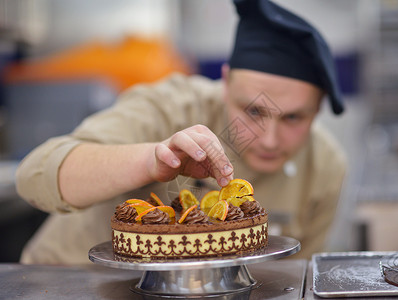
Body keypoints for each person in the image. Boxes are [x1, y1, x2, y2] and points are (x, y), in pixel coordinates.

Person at [16, 0, 346, 265]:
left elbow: (291, 278)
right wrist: (149, 161)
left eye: (293, 118)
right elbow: (33, 176)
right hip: (69, 281)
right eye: (254, 111)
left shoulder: (324, 168)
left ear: (317, 110)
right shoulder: (170, 107)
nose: (270, 139)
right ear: (226, 83)